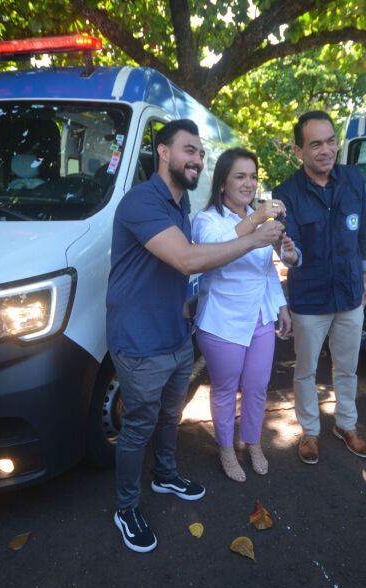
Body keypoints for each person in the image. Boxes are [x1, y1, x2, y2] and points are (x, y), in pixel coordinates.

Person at [106, 119, 283, 552]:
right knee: (138, 427)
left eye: (201, 154)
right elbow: (186, 260)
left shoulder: (179, 203)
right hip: (139, 337)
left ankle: (165, 476)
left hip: (175, 331)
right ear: (163, 152)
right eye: (189, 150)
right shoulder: (141, 201)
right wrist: (256, 237)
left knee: (170, 416)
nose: (197, 160)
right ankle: (126, 507)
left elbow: (182, 270)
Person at [273, 110, 366, 465]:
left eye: (331, 141)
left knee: (347, 367)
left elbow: (363, 230)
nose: (326, 150)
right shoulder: (286, 193)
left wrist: (364, 275)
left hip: (349, 294)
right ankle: (310, 431)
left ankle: (346, 425)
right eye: (315, 144)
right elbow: (291, 249)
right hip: (310, 299)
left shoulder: (354, 179)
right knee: (305, 370)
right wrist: (291, 254)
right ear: (299, 151)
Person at [192, 148, 298, 482]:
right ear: (222, 182)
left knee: (257, 386)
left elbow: (266, 270)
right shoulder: (206, 219)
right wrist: (255, 224)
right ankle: (225, 448)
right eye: (240, 176)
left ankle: (252, 442)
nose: (248, 183)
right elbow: (212, 250)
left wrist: (280, 305)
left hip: (260, 318)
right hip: (221, 321)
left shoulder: (260, 219)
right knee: (224, 388)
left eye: (253, 176)